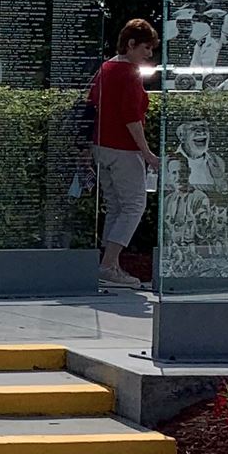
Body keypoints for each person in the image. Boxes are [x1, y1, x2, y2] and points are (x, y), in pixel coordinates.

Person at [88, 18, 158, 290]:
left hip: (101, 148)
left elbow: (91, 106)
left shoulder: (105, 68)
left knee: (115, 206)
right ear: (131, 45)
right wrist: (148, 153)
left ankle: (109, 265)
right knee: (133, 206)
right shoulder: (129, 73)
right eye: (146, 48)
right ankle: (108, 265)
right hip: (123, 150)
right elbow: (132, 119)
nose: (149, 54)